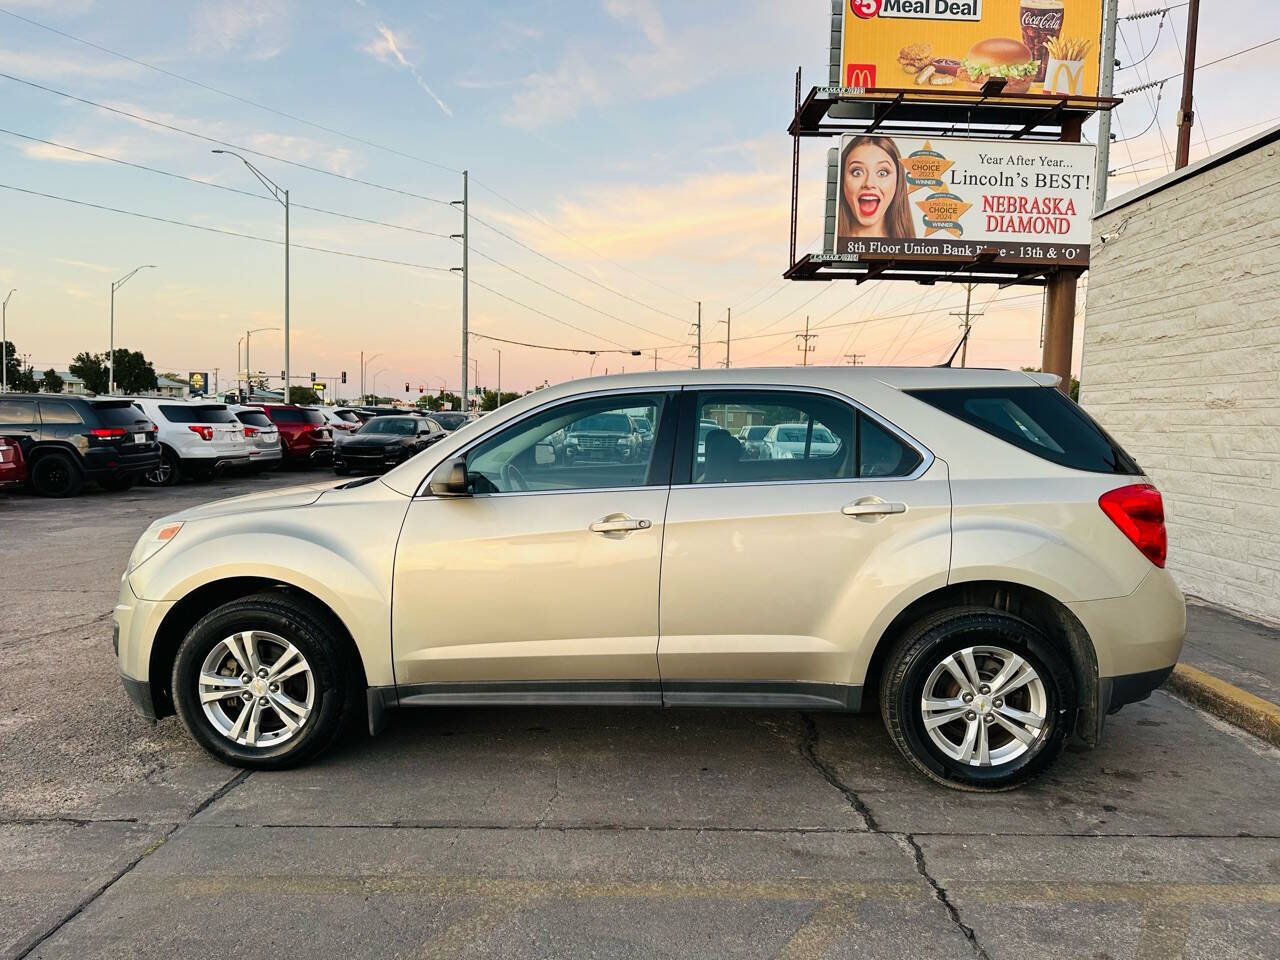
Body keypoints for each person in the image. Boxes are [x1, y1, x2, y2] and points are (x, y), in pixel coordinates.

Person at [837, 136, 916, 242]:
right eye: (857, 172)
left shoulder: (916, 250)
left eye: (882, 173)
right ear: (842, 180)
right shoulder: (829, 245)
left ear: (898, 182)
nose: (869, 183)